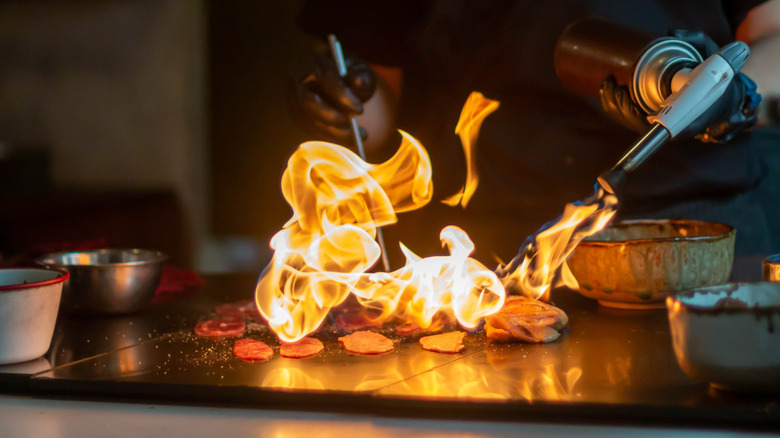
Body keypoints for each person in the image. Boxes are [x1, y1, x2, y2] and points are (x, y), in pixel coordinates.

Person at [288, 0, 780, 280]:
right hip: (475, 252)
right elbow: (376, 102)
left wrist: (722, 96)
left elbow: (772, 34)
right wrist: (344, 98)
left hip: (698, 236)